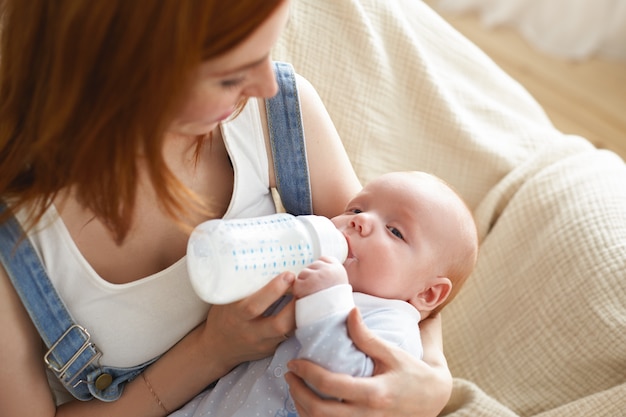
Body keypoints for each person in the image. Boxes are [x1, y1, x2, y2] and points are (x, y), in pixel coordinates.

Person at [0, 1, 452, 416]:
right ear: (127, 70)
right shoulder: (15, 244)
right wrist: (211, 351)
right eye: (230, 74)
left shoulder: (274, 115)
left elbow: (403, 281)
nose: (265, 83)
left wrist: (431, 383)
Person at [171, 171, 478, 417]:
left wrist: (326, 300)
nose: (361, 220)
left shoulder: (394, 328)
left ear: (428, 293)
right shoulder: (313, 274)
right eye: (356, 208)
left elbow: (346, 388)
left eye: (395, 231)